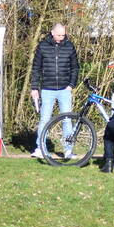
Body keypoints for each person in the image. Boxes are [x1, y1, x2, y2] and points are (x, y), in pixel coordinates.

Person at [30, 24, 79, 159]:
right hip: (47, 89)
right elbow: (36, 68)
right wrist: (34, 87)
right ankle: (40, 148)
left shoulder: (69, 46)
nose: (61, 38)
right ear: (52, 33)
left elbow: (75, 67)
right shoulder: (42, 46)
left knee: (67, 120)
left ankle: (68, 150)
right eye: (59, 35)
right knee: (45, 119)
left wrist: (71, 85)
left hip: (65, 90)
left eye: (63, 35)